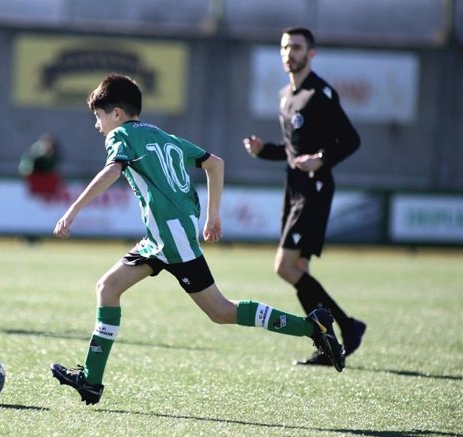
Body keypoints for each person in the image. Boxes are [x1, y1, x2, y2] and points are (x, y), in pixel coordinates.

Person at [50, 73, 345, 405]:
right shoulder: (163, 136)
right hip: (162, 237)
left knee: (220, 311)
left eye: (98, 117)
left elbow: (112, 171)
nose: (97, 125)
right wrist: (212, 215)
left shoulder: (120, 135)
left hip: (171, 240)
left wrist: (72, 210)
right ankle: (91, 380)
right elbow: (215, 164)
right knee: (108, 287)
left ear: (116, 114)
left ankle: (312, 327)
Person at [242, 27, 366, 367]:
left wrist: (322, 159)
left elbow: (351, 140)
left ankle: (347, 326)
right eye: (284, 47)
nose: (289, 53)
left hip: (315, 189)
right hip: (293, 189)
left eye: (296, 47)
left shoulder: (320, 93)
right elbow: (292, 151)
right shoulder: (286, 95)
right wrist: (262, 150)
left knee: (283, 267)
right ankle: (331, 344)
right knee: (298, 268)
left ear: (311, 53)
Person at [18, 133, 63, 198]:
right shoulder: (34, 153)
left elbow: (53, 166)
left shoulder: (54, 153)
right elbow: (25, 168)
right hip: (35, 178)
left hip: (47, 180)